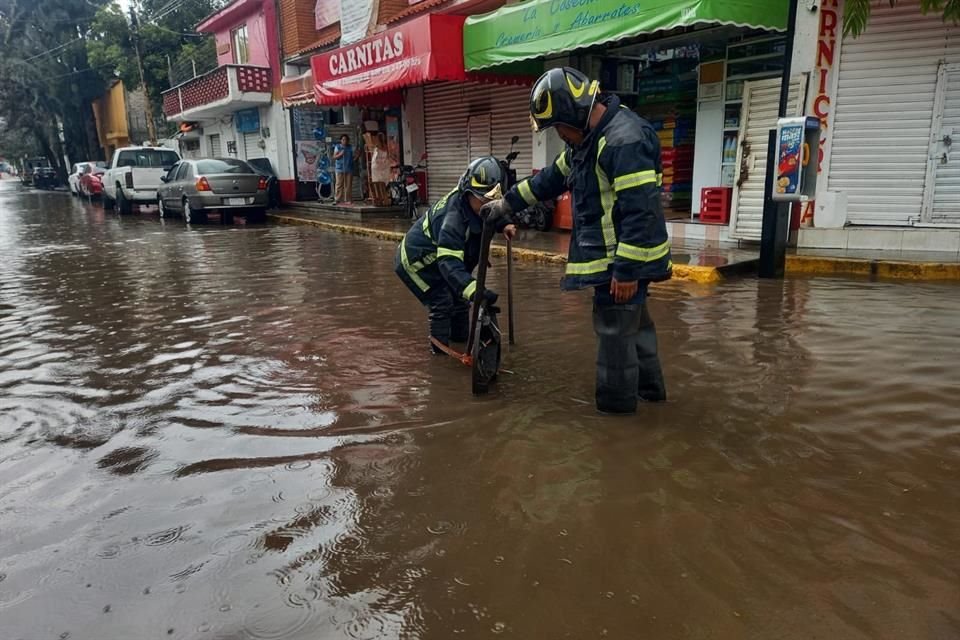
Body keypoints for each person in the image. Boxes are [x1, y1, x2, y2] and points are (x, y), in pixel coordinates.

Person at [483, 67, 672, 414]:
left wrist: (627, 271)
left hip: (622, 264)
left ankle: (615, 423)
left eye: (558, 126)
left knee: (615, 338)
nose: (560, 135)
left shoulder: (622, 140)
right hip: (620, 262)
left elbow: (640, 211)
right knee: (636, 327)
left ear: (573, 113)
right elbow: (551, 179)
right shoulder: (588, 140)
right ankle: (651, 397)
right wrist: (507, 202)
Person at [395, 156, 517, 354]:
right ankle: (440, 356)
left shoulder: (477, 204)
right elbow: (449, 263)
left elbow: (491, 212)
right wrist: (475, 291)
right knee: (442, 301)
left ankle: (461, 342)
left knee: (460, 301)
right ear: (468, 192)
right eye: (483, 201)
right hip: (417, 263)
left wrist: (504, 224)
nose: (488, 206)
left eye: (492, 202)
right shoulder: (453, 218)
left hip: (439, 257)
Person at [332, 135, 355, 203]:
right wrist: (340, 154)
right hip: (340, 168)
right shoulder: (338, 147)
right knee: (339, 184)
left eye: (346, 140)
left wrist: (355, 158)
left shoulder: (350, 147)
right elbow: (334, 157)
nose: (345, 141)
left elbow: (356, 153)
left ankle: (348, 199)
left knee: (348, 185)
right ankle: (337, 199)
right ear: (341, 140)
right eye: (343, 140)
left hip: (349, 168)